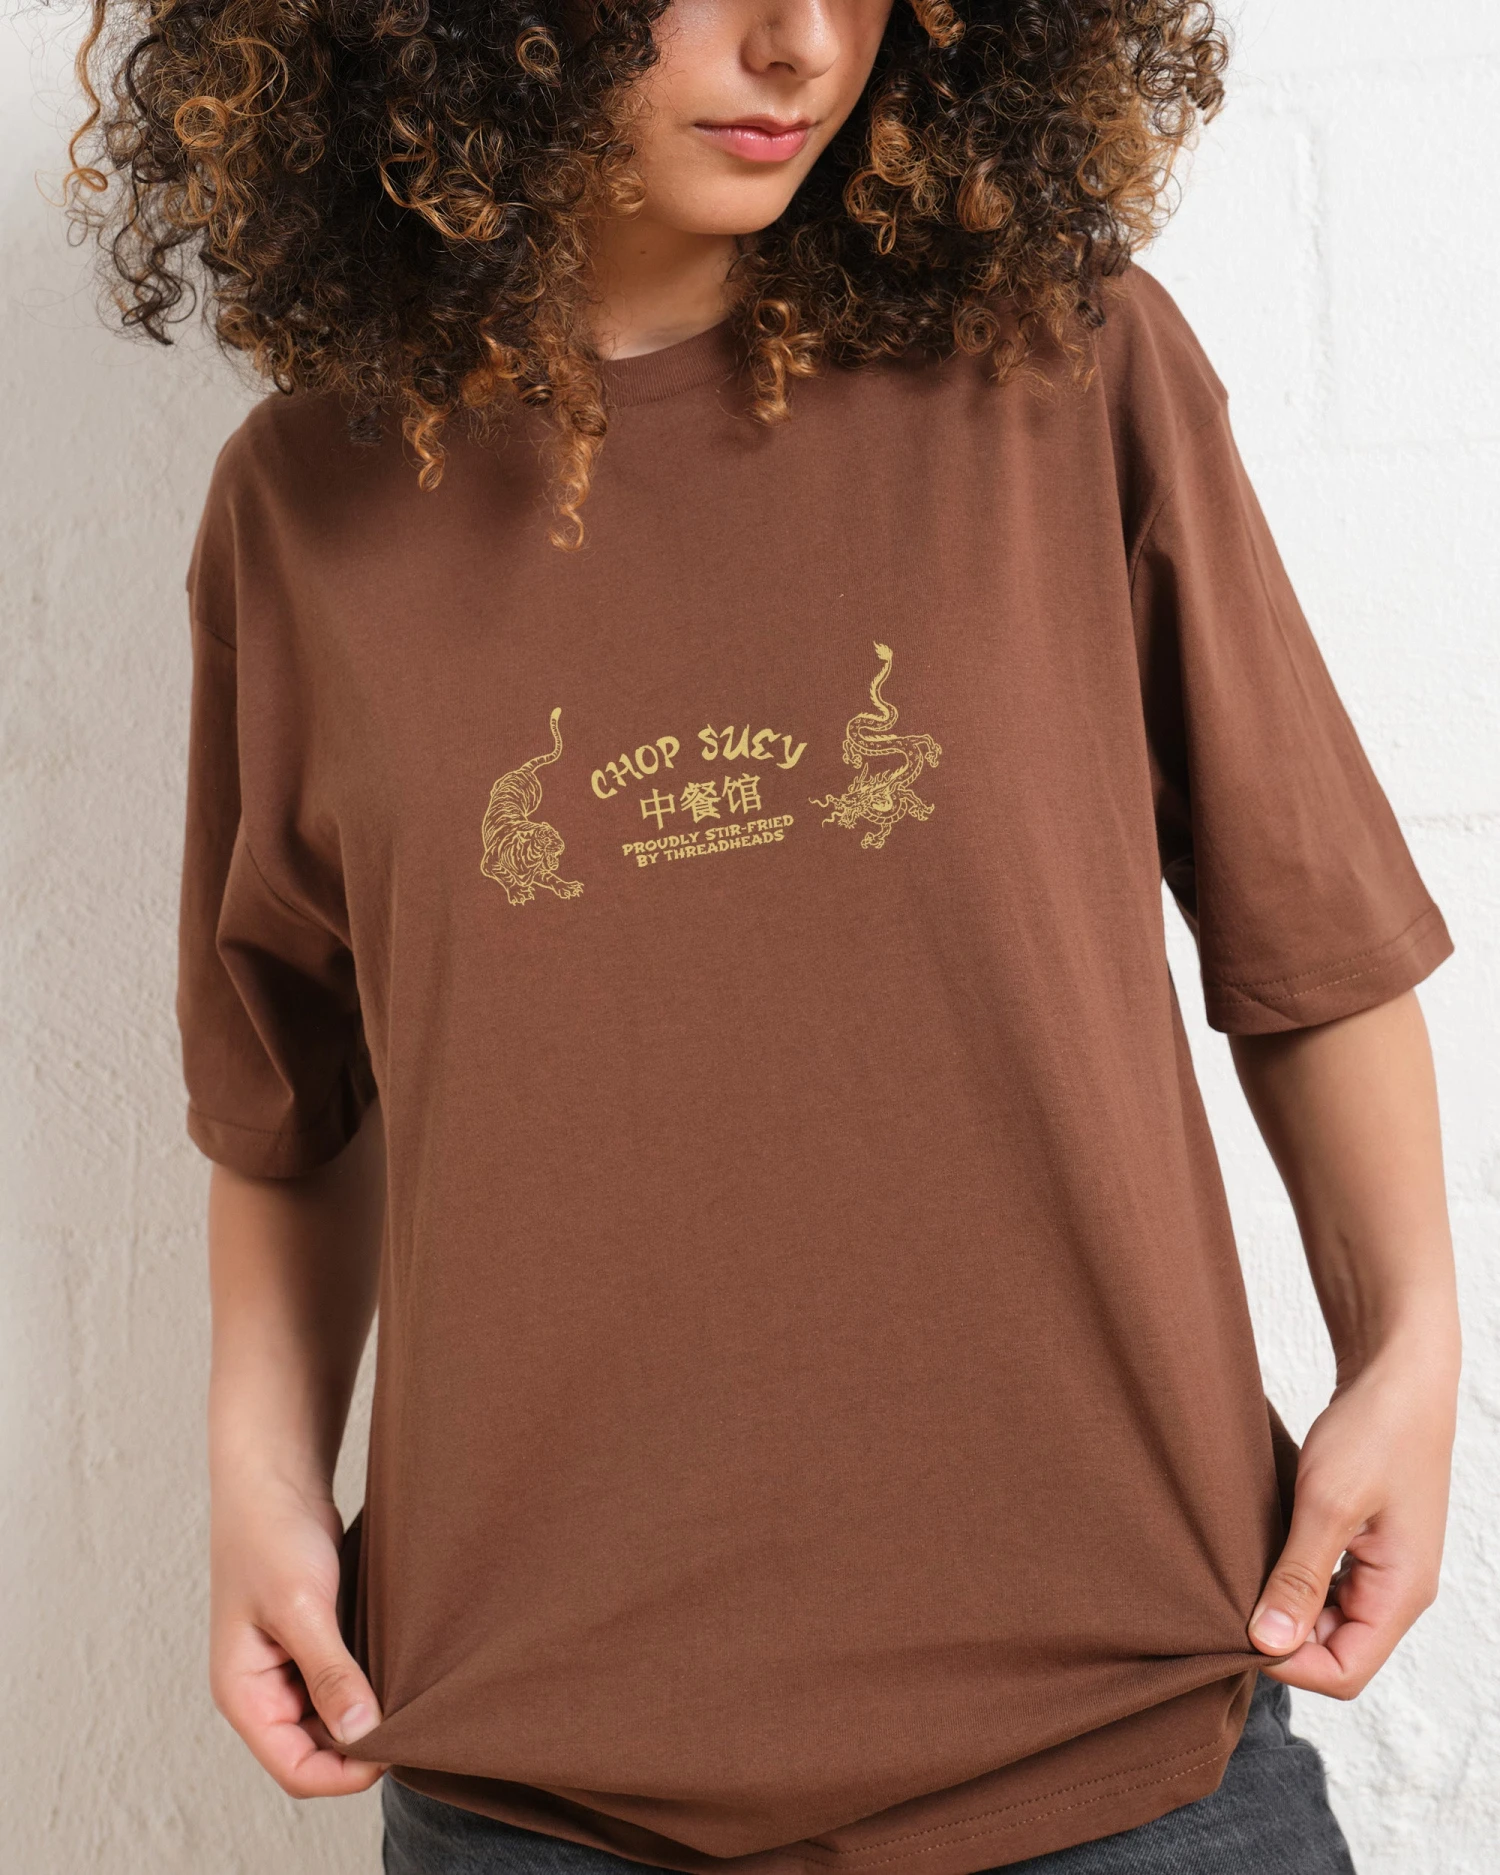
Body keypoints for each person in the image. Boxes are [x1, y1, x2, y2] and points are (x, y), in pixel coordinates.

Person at [68, 0, 1461, 1870]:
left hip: (1134, 1739)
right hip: (538, 1774)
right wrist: (258, 1484)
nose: (802, 43)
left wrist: (1411, 1349)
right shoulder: (305, 505)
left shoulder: (1067, 367)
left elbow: (1310, 935)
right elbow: (286, 1099)